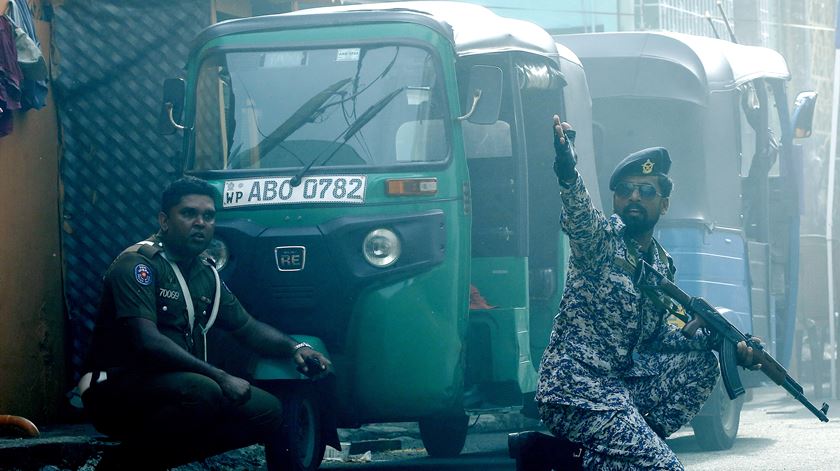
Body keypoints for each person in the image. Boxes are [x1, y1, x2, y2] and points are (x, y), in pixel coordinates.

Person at [530, 116, 760, 470]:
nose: (634, 196)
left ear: (664, 203)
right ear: (616, 199)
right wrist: (567, 171)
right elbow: (579, 215)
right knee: (663, 468)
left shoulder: (661, 265)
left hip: (619, 390)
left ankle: (613, 456)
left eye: (647, 190)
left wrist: (712, 340)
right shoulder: (600, 241)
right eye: (625, 190)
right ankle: (632, 454)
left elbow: (653, 340)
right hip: (575, 391)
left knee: (702, 365)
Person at [80, 176, 332, 470]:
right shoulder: (138, 264)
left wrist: (295, 348)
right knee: (205, 392)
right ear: (164, 220)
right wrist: (221, 377)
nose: (200, 223)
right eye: (188, 213)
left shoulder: (205, 272)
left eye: (208, 216)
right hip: (115, 388)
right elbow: (146, 340)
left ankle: (133, 462)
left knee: (267, 411)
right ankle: (124, 464)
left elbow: (247, 327)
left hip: (175, 384)